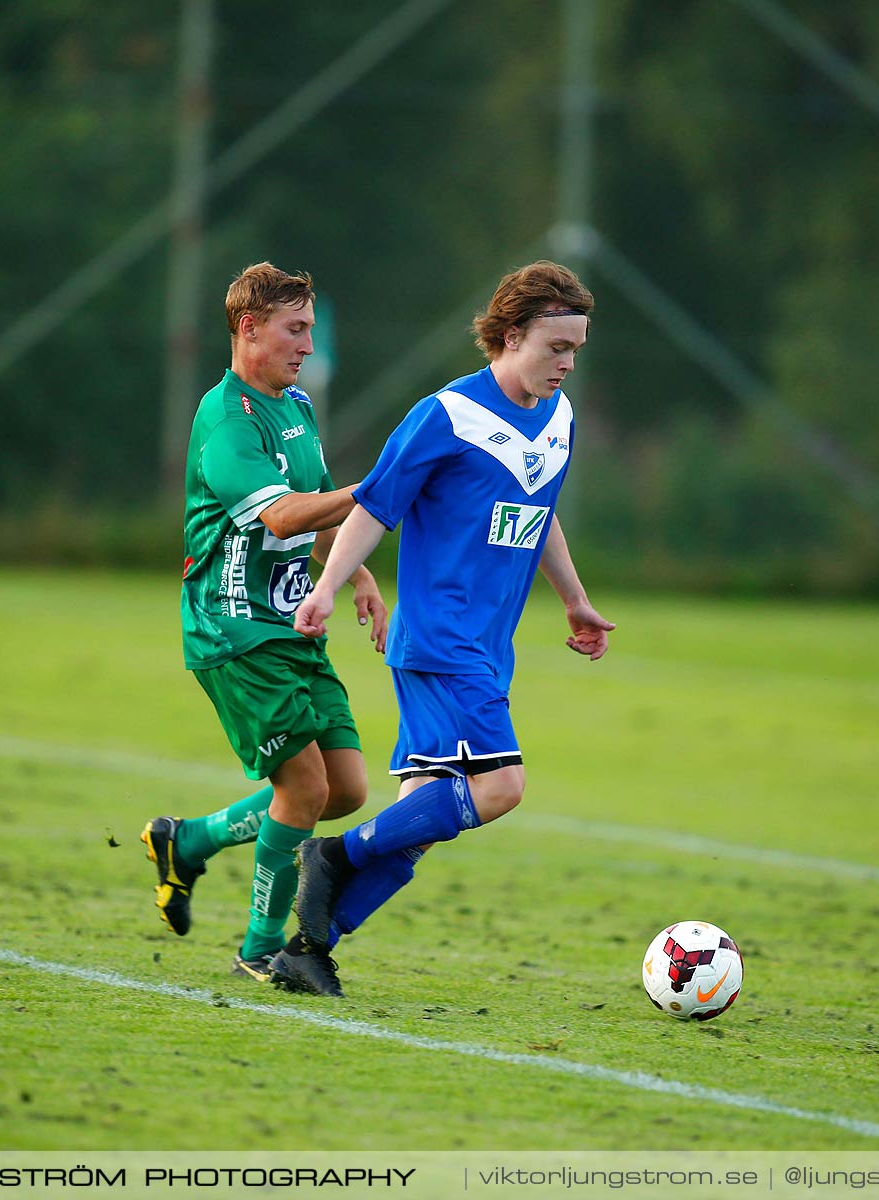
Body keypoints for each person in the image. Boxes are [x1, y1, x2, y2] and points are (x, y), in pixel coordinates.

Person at [268, 260, 615, 996]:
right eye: (556, 346)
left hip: (489, 648)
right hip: (439, 640)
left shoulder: (559, 419)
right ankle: (333, 856)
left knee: (422, 821)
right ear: (510, 335)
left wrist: (574, 600)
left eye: (576, 349)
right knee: (501, 788)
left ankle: (306, 948)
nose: (567, 363)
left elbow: (537, 513)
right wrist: (328, 587)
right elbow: (374, 509)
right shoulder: (447, 416)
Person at [145, 262, 387, 980]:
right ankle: (260, 947)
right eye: (297, 329)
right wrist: (377, 490)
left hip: (291, 623)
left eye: (310, 329)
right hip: (233, 628)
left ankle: (189, 843)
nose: (309, 345)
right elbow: (279, 512)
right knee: (305, 790)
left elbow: (308, 511)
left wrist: (358, 571)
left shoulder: (299, 408)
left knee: (344, 789)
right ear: (249, 328)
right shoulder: (225, 419)